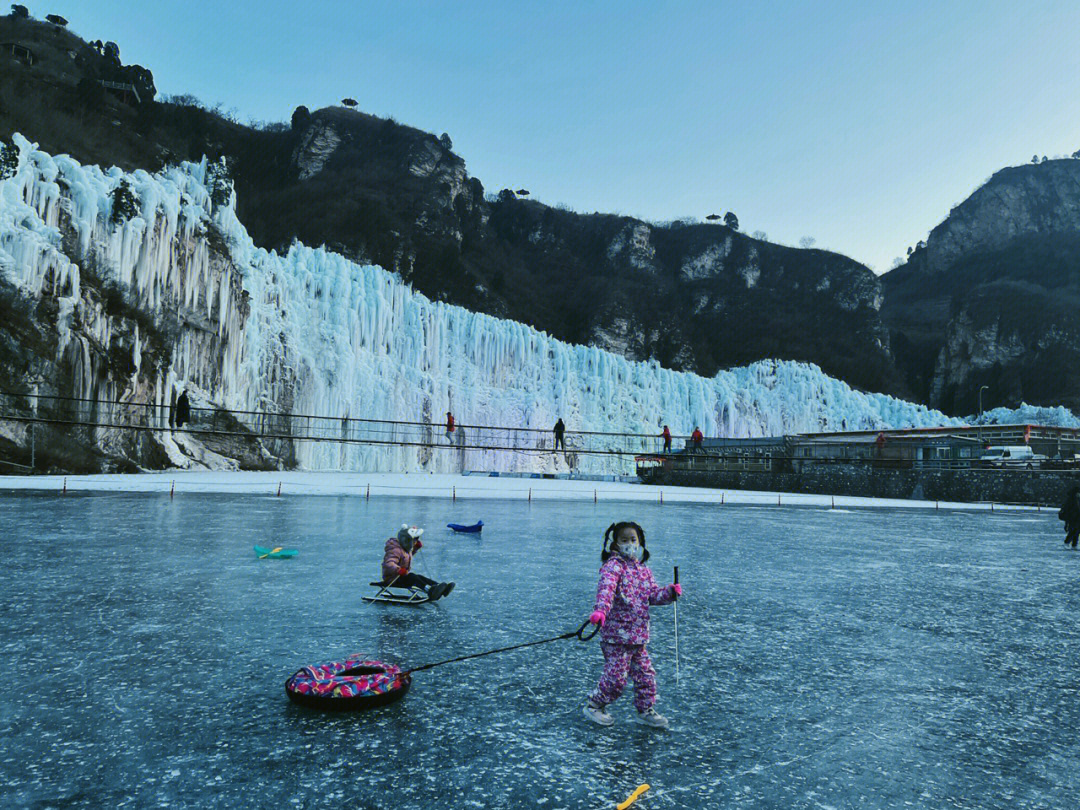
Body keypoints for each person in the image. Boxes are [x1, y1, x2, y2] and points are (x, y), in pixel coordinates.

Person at [583, 521, 681, 729]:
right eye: (624, 540)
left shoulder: (644, 571)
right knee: (616, 678)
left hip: (638, 637)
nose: (629, 544)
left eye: (633, 540)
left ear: (640, 543)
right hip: (616, 637)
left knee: (646, 675)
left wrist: (669, 593)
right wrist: (600, 611)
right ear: (615, 544)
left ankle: (645, 711)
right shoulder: (613, 567)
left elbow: (652, 595)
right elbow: (606, 591)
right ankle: (595, 705)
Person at [380, 524, 454, 600]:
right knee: (412, 577)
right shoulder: (395, 550)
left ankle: (439, 587)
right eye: (414, 540)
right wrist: (398, 570)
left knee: (419, 577)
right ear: (407, 540)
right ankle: (429, 590)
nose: (416, 542)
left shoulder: (405, 549)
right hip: (392, 578)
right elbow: (389, 563)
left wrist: (415, 549)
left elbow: (406, 558)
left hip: (402, 576)